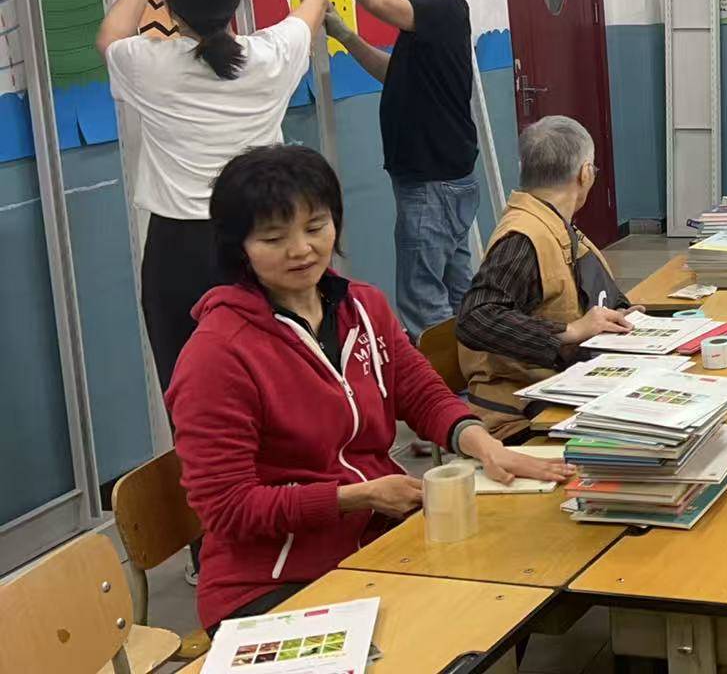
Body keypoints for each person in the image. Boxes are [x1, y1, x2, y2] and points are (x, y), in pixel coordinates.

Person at [166, 145, 569, 629]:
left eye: (316, 227)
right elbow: (229, 509)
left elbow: (420, 392)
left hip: (374, 544)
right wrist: (356, 497)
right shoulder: (218, 355)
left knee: (516, 583)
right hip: (271, 584)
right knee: (450, 628)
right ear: (240, 248)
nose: (301, 250)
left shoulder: (361, 306)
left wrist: (483, 444)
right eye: (273, 238)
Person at [97, 0, 326, 390]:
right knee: (274, 381)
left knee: (190, 385)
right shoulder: (270, 55)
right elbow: (314, 1)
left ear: (168, 5)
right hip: (260, 238)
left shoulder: (150, 64)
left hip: (179, 249)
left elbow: (110, 36)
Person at [316, 0, 480, 338]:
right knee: (457, 292)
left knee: (422, 300)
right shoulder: (432, 20)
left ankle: (442, 381)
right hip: (440, 180)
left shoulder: (442, 8)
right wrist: (345, 35)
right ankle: (475, 368)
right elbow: (394, 73)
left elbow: (379, 2)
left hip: (432, 183)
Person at [455, 116, 638, 439]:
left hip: (565, 385)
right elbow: (475, 317)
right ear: (585, 174)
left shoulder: (556, 225)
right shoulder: (523, 236)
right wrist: (570, 331)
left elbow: (586, 292)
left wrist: (618, 314)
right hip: (519, 411)